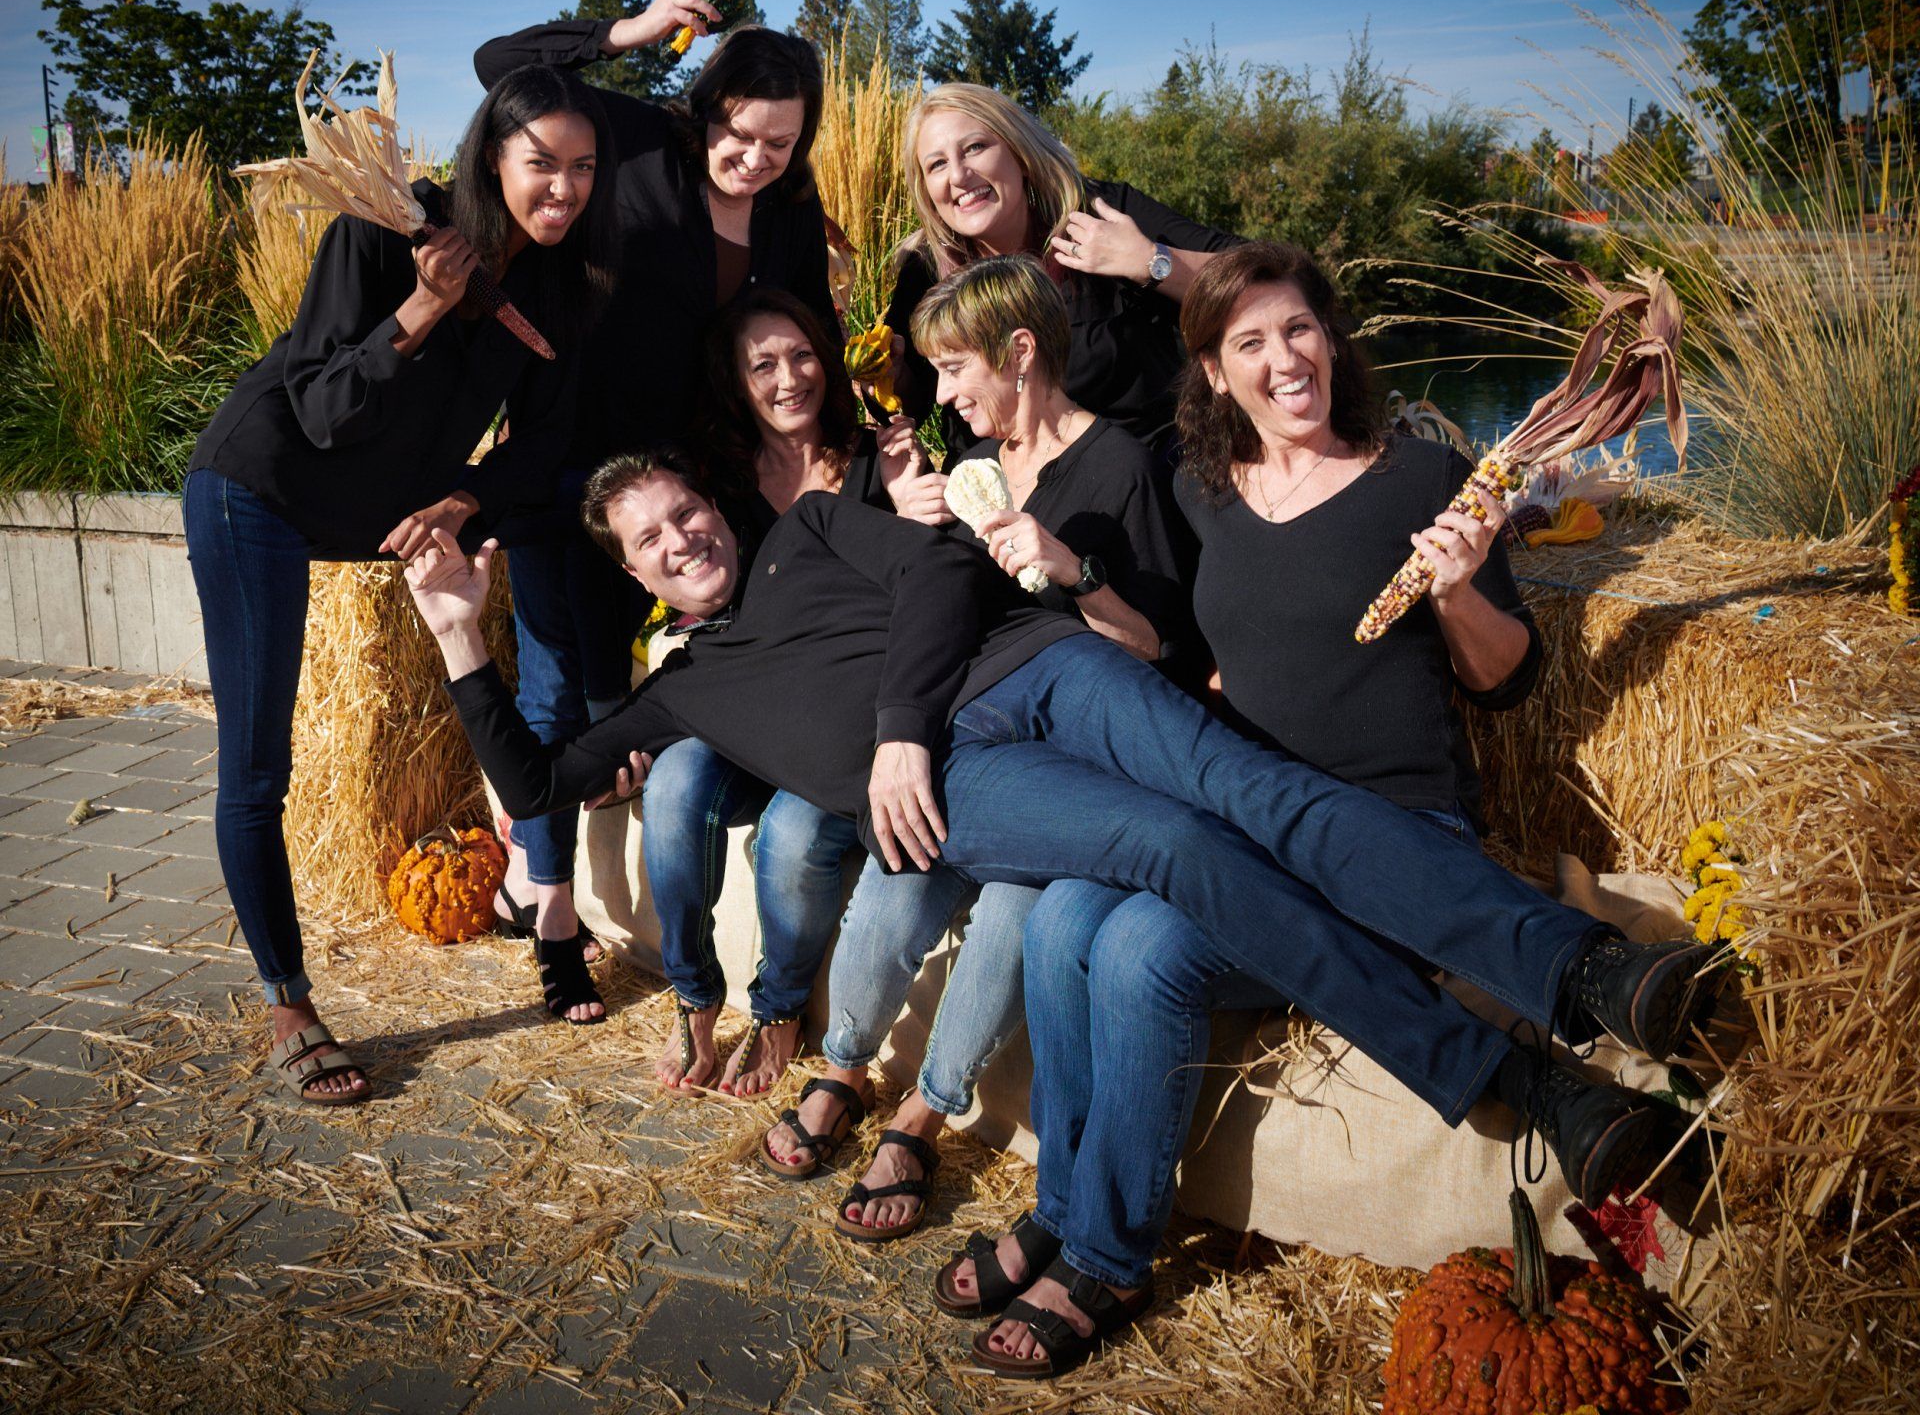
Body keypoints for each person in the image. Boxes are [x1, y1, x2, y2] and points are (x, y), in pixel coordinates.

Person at [402, 447, 1726, 1364]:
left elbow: (934, 569)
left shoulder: (809, 530)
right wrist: (463, 633)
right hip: (971, 789)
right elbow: (535, 779)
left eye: (685, 513)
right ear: (634, 572)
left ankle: (1586, 971)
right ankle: (1535, 1088)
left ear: (713, 506)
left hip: (1026, 669)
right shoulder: (682, 686)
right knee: (1172, 843)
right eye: (650, 541)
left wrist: (897, 728)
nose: (681, 540)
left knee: (1242, 786)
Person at [949, 239, 1557, 1375]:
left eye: (1299, 330)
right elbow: (1178, 640)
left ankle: (1109, 1256)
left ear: (1331, 341)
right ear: (1214, 375)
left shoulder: (1421, 477)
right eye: (1250, 343)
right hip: (1248, 831)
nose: (1285, 359)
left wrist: (1463, 590)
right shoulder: (1203, 492)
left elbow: (1507, 683)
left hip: (1388, 840)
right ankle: (1064, 1203)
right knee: (1070, 909)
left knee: (1138, 952)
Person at [184, 65, 618, 1099]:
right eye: (541, 164)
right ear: (491, 159)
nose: (564, 188)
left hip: (365, 518)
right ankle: (290, 1002)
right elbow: (323, 409)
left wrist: (467, 500)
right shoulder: (382, 231)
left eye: (584, 169)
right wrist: (423, 306)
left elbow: (541, 440)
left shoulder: (556, 290)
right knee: (258, 767)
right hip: (258, 489)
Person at [759, 255, 1191, 1246]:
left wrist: (1072, 572)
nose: (944, 394)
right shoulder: (968, 464)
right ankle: (845, 1068)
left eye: (956, 370)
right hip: (967, 743)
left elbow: (1159, 653)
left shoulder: (1119, 465)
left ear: (1022, 351)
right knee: (893, 878)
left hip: (1073, 762)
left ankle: (925, 1112)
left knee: (1012, 913)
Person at [473, 0, 837, 1004]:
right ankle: (551, 916)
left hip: (688, 491)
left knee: (635, 694)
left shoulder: (789, 216)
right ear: (705, 106)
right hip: (569, 462)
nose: (754, 157)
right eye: (738, 131)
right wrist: (631, 30)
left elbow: (802, 346)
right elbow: (502, 71)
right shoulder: (632, 141)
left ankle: (637, 873)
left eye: (779, 142)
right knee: (550, 691)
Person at [641, 288, 946, 1095]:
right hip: (753, 717)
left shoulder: (882, 458)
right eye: (763, 364)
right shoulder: (716, 480)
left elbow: (919, 584)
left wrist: (917, 508)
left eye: (803, 354)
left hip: (842, 721)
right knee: (673, 783)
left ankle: (777, 1010)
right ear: (735, 381)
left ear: (830, 356)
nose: (788, 378)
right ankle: (695, 1001)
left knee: (791, 831)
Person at [882, 82, 1238, 450]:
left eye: (974, 148)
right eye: (937, 164)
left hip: (1140, 481)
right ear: (925, 187)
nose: (958, 176)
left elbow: (1266, 279)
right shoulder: (925, 271)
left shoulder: (1100, 214)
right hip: (996, 495)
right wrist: (887, 375)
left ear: (1019, 152)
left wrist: (1150, 262)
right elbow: (913, 402)